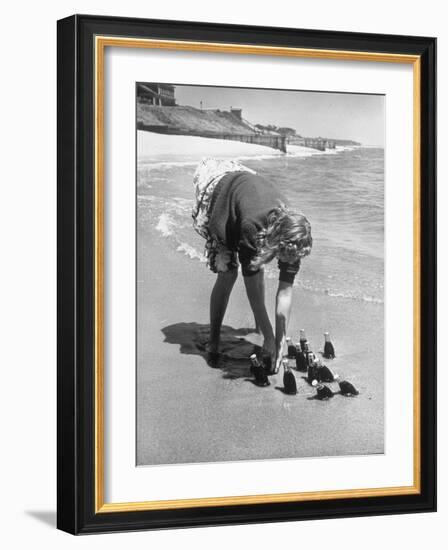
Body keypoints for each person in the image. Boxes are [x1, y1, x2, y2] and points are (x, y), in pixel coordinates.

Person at [192, 157, 312, 373]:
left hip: (249, 190)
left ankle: (261, 329)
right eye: (285, 256)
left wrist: (280, 340)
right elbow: (252, 286)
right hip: (222, 194)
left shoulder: (296, 235)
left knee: (257, 266)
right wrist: (269, 335)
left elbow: (285, 294)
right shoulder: (252, 227)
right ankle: (215, 340)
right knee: (228, 273)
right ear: (277, 243)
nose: (288, 262)